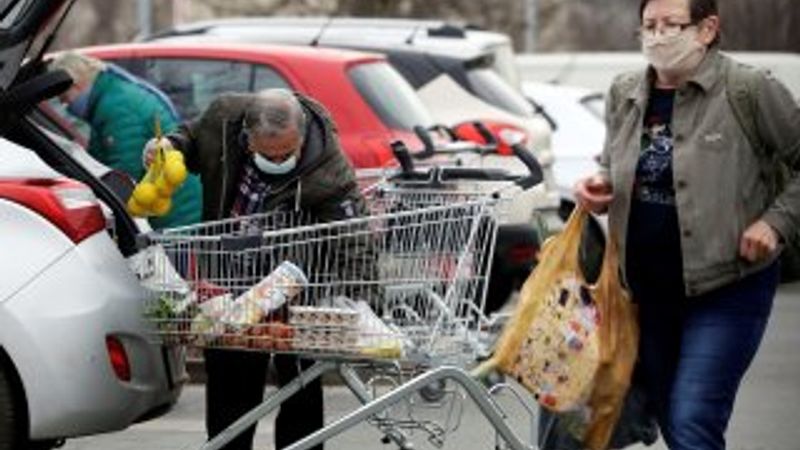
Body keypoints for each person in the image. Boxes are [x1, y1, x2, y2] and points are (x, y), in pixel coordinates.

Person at [574, 0, 800, 449]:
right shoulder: (625, 92)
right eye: (648, 26)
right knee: (675, 422)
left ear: (707, 28)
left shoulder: (749, 90)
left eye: (671, 25)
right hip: (647, 294)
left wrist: (775, 222)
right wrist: (598, 186)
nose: (658, 36)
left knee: (694, 418)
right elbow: (611, 163)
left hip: (727, 288)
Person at [144, 88, 374, 450]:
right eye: (267, 154)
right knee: (230, 390)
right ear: (246, 138)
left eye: (287, 153)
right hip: (229, 280)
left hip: (295, 287)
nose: (278, 159)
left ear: (301, 137)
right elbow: (189, 140)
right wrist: (169, 146)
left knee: (301, 386)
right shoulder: (223, 118)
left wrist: (360, 301)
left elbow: (354, 236)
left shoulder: (329, 166)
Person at [50, 51, 202, 229]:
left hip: (175, 212)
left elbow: (124, 174)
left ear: (76, 84)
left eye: (65, 99)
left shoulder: (116, 106)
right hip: (169, 201)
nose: (65, 106)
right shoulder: (110, 97)